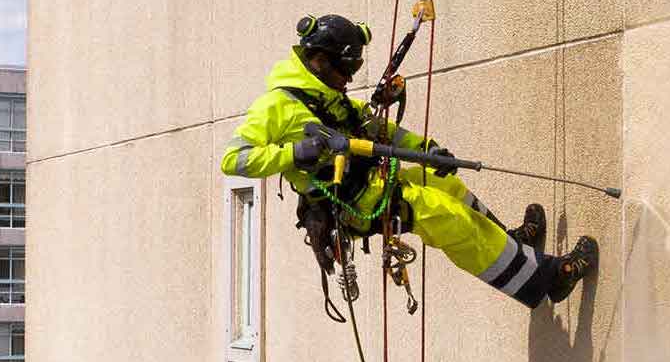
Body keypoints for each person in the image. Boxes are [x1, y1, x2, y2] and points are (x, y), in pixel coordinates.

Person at [221, 15, 598, 308]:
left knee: (446, 185)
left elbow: (377, 129)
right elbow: (232, 159)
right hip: (352, 204)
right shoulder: (276, 105)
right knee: (447, 217)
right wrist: (292, 154)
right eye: (346, 70)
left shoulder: (327, 97)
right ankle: (549, 279)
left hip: (375, 182)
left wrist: (428, 149)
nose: (350, 79)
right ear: (320, 61)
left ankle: (512, 246)